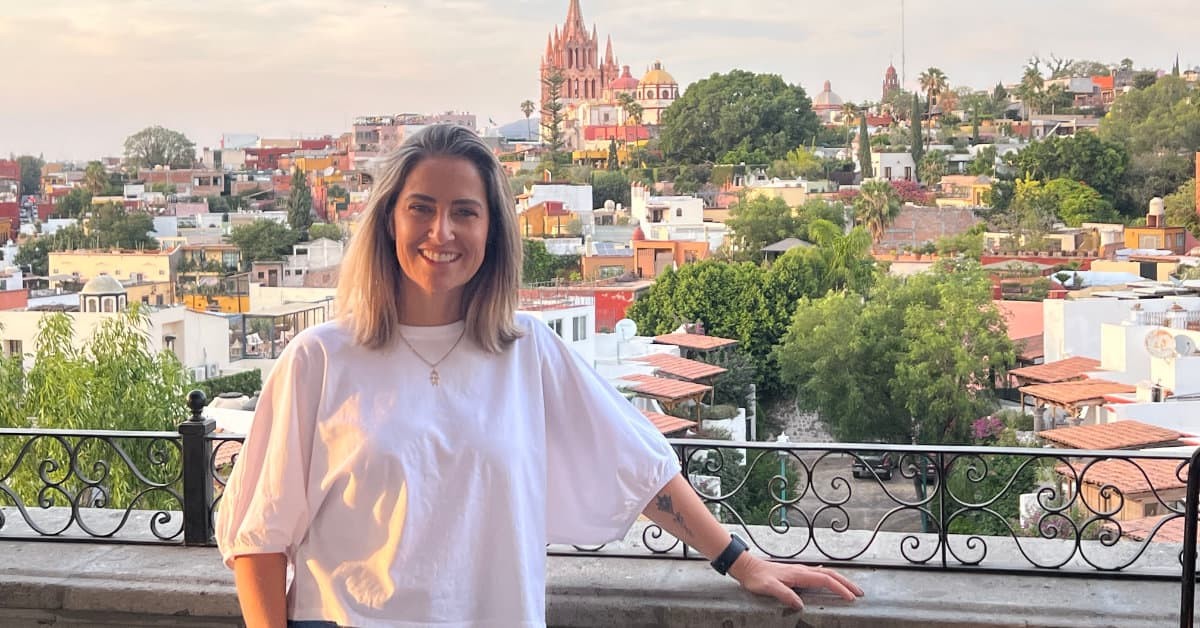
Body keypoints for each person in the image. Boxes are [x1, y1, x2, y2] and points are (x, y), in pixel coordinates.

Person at [216, 125, 862, 628]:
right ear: (389, 221)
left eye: (465, 212)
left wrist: (740, 560)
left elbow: (636, 469)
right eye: (422, 208)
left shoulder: (529, 352)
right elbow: (260, 539)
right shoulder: (320, 359)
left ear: (493, 229)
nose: (441, 231)